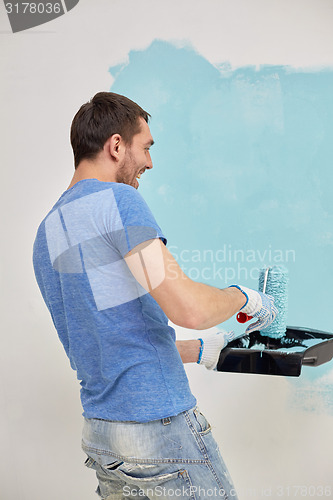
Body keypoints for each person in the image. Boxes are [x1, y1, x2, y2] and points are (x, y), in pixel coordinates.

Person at [33, 92, 277, 500]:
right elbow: (190, 308)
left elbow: (104, 337)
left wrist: (199, 350)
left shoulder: (50, 230)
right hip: (157, 434)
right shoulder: (118, 201)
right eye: (145, 147)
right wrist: (244, 297)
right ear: (115, 146)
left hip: (104, 438)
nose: (149, 162)